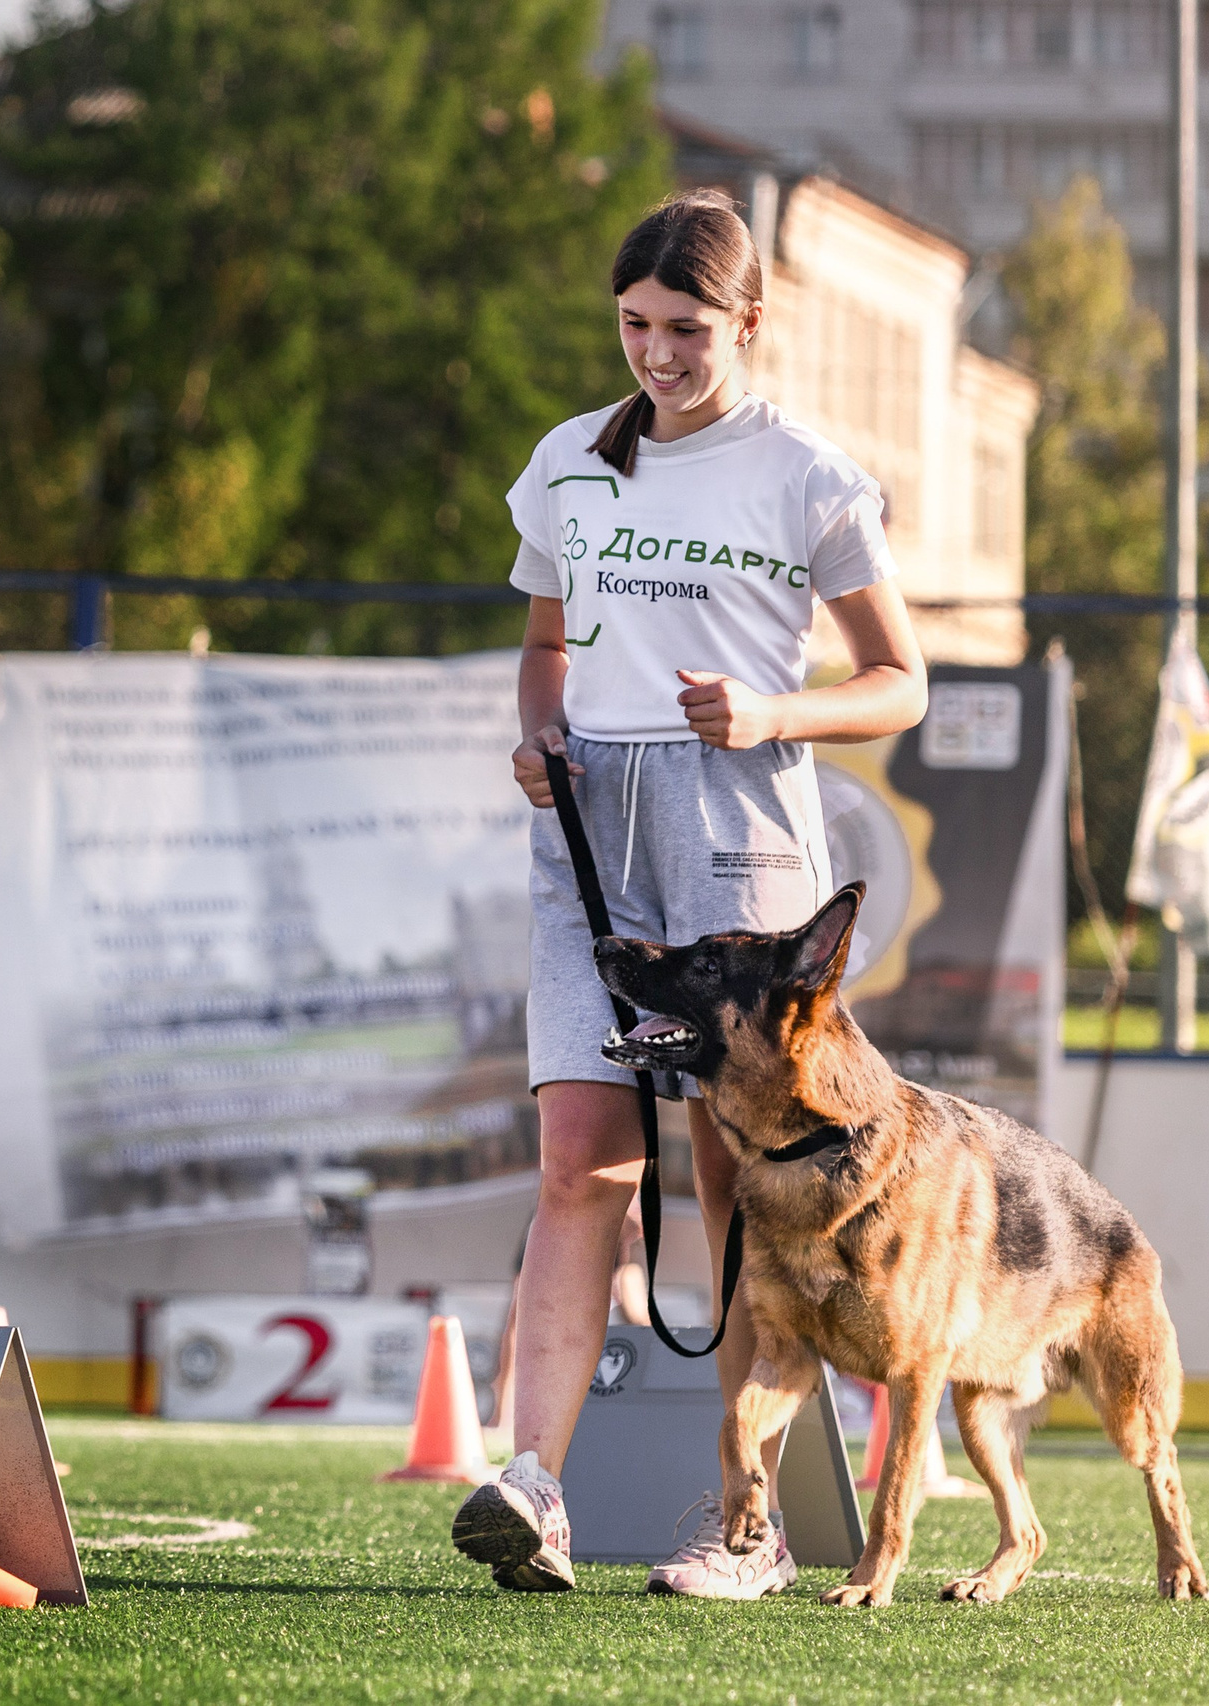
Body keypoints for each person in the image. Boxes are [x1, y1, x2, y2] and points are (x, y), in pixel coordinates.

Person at [450, 188, 928, 1599]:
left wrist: (776, 712)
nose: (655, 353)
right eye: (634, 323)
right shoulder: (567, 461)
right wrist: (539, 734)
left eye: (685, 328)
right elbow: (547, 648)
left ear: (750, 323)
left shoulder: (810, 475)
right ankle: (534, 1489)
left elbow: (901, 683)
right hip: (588, 827)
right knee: (579, 1161)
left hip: (740, 832)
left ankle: (748, 1524)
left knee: (736, 1184)